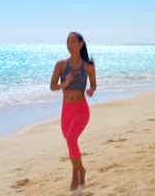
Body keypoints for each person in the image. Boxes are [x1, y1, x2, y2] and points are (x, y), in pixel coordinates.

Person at [50, 31, 97, 191]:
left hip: (81, 110)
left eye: (72, 42)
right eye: (67, 42)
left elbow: (94, 84)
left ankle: (75, 175)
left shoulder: (88, 66)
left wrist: (91, 90)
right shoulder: (61, 65)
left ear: (80, 44)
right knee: (72, 144)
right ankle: (82, 170)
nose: (69, 45)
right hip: (66, 112)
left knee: (71, 141)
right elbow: (52, 87)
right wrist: (65, 83)